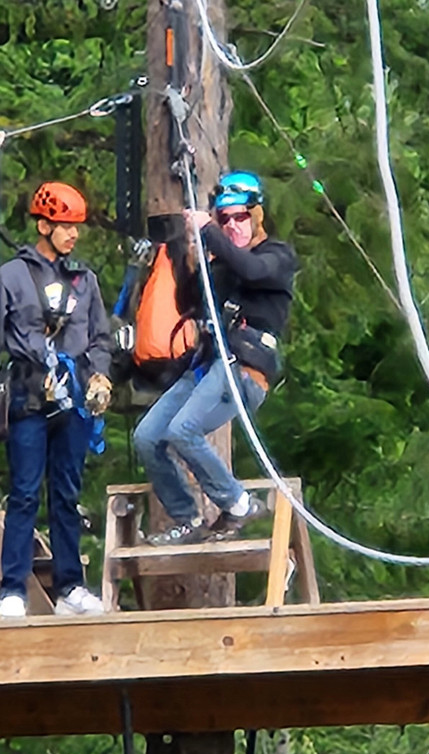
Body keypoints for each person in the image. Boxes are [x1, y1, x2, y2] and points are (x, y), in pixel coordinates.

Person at [0, 181, 113, 618]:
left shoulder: (85, 280)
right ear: (44, 225)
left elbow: (100, 337)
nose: (73, 234)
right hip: (28, 397)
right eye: (65, 226)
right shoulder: (11, 278)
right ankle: (13, 589)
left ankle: (70, 588)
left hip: (74, 398)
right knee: (24, 493)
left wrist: (100, 374)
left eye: (76, 227)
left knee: (67, 494)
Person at [133, 171, 298, 544]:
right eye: (225, 220)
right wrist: (189, 256)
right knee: (147, 437)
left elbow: (252, 270)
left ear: (256, 216)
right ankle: (186, 518)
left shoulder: (277, 256)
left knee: (182, 430)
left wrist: (209, 231)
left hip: (244, 368)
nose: (233, 226)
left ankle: (238, 503)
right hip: (208, 366)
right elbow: (188, 302)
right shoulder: (221, 264)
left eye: (240, 217)